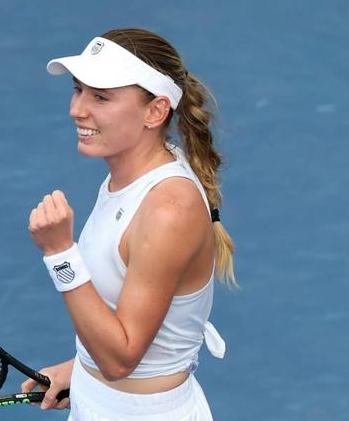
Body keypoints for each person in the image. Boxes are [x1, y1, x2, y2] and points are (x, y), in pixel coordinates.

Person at [21, 28, 237, 420]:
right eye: (78, 90)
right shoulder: (129, 176)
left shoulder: (168, 210)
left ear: (155, 111)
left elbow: (120, 359)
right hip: (100, 402)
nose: (77, 109)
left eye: (101, 97)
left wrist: (60, 254)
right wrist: (81, 369)